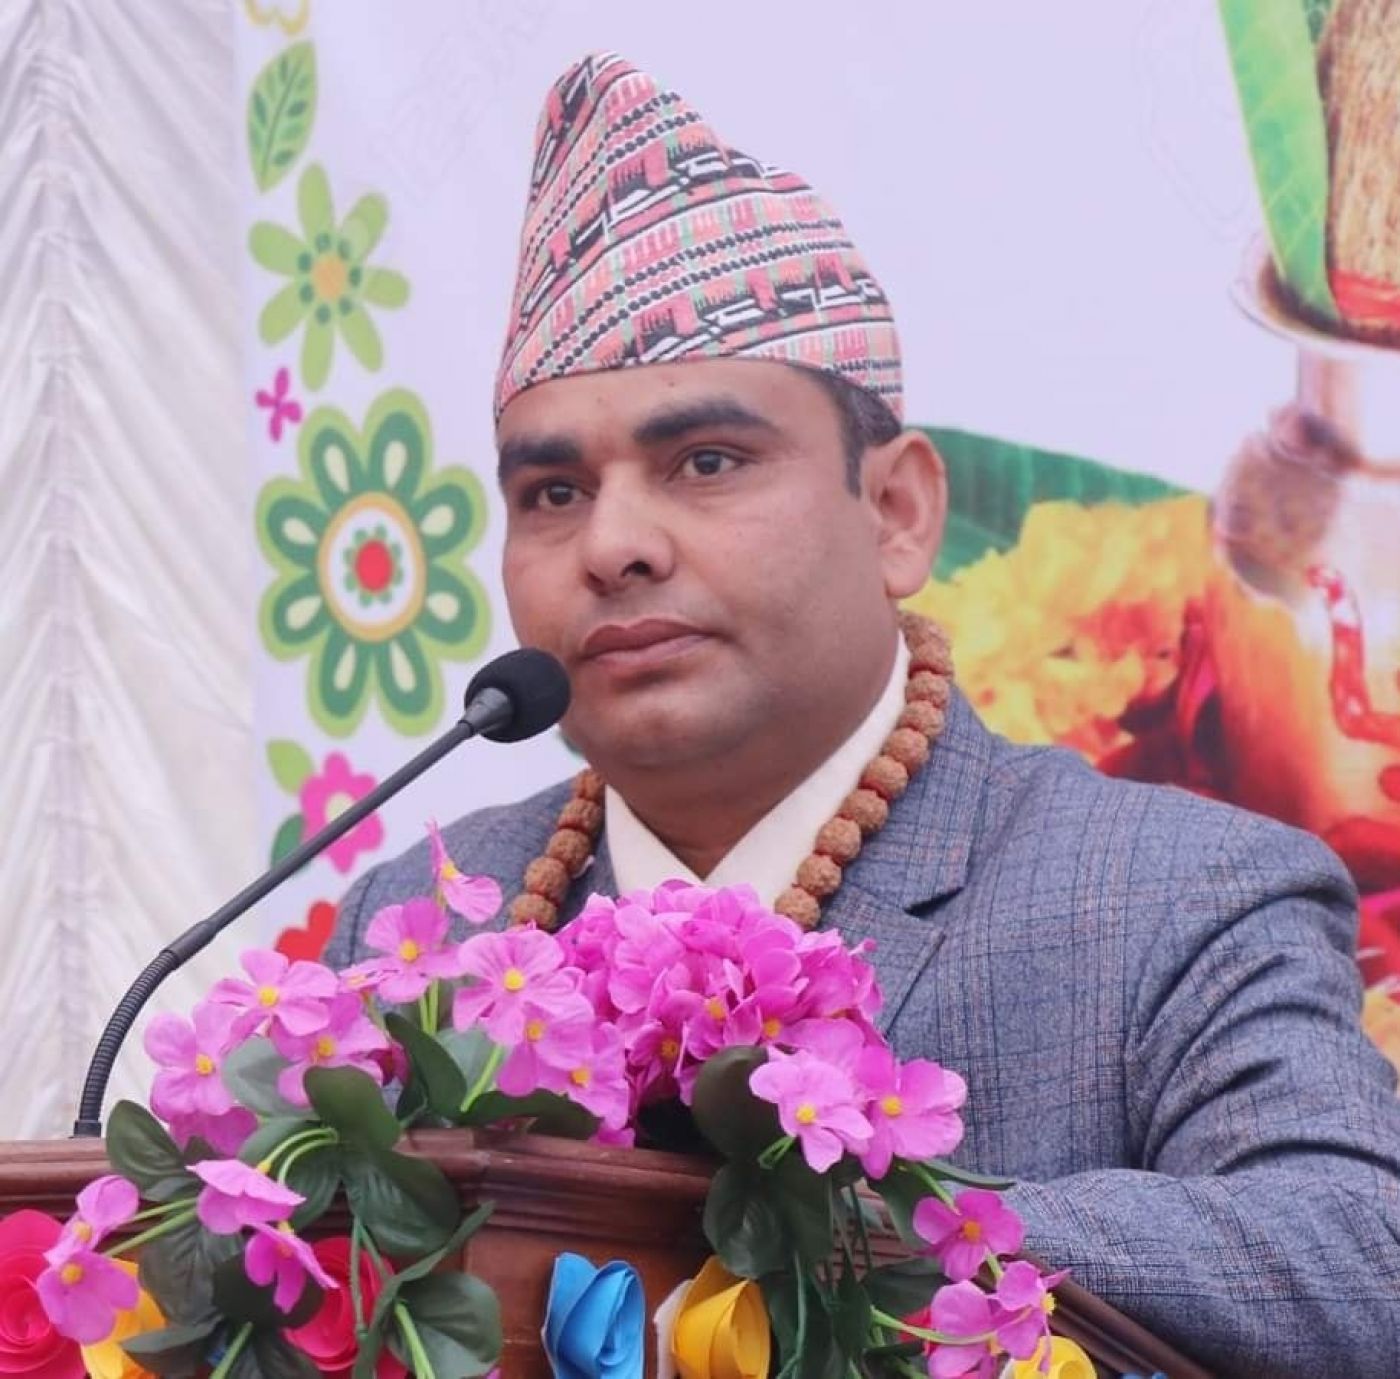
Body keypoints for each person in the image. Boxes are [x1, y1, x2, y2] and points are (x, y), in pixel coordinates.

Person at [325, 52, 1400, 1377]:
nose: (612, 546)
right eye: (553, 493)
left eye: (705, 462)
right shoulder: (428, 922)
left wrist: (822, 1239)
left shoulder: (1175, 898)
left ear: (897, 512)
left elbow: (1355, 1263)